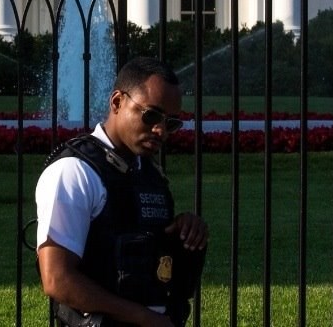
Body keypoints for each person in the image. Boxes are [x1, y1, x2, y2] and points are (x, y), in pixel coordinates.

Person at [36, 57, 208, 327]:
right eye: (151, 115)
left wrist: (184, 229)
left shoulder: (148, 172)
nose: (160, 130)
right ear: (117, 102)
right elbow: (57, 279)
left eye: (171, 123)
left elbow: (144, 250)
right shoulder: (74, 171)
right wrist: (144, 318)